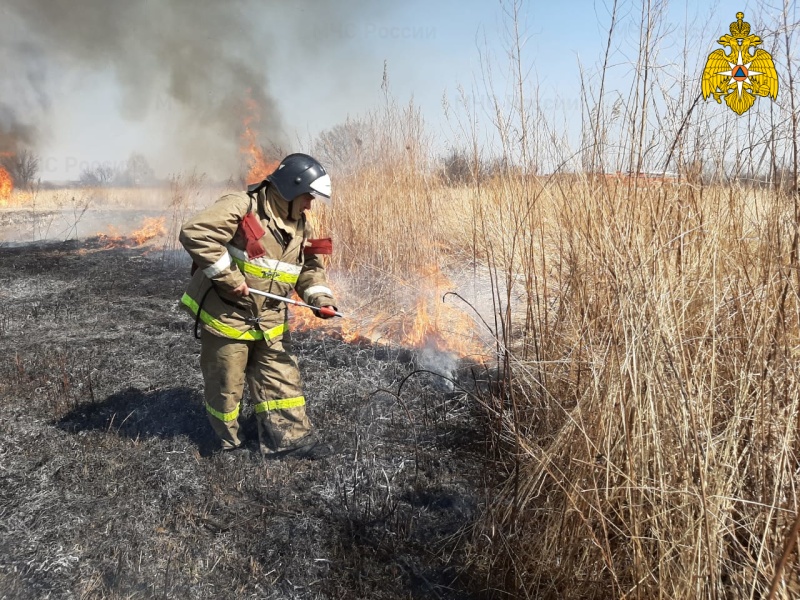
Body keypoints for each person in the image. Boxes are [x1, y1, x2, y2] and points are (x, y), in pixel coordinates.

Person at [179, 153, 337, 459]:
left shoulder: (300, 225)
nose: (309, 205)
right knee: (226, 386)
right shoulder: (242, 206)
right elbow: (196, 233)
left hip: (270, 322)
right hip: (229, 319)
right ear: (291, 189)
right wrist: (229, 277)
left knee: (282, 380)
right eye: (307, 197)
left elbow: (309, 270)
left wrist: (321, 300)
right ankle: (227, 444)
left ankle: (290, 440)